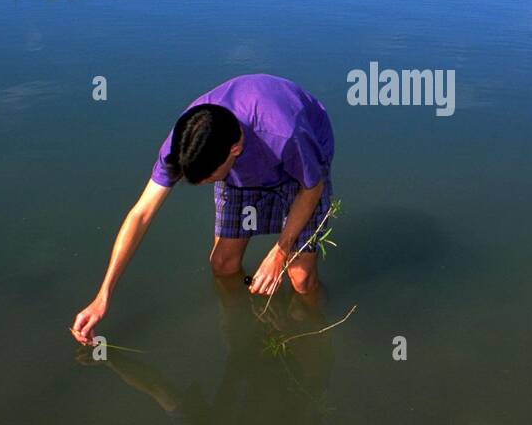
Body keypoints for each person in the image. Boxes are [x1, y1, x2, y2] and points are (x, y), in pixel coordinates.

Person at [71, 73, 335, 346]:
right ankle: (242, 331)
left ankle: (313, 331)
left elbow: (311, 188)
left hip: (298, 173)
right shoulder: (186, 142)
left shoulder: (284, 133)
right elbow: (140, 214)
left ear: (235, 149)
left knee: (300, 278)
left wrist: (279, 253)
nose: (205, 183)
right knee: (222, 264)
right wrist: (103, 296)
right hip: (239, 175)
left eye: (209, 178)